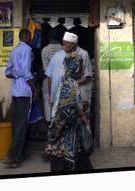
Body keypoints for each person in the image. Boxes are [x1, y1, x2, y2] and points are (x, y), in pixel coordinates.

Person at [47, 38, 93, 172]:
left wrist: (80, 108)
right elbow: (66, 111)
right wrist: (81, 114)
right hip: (67, 135)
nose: (83, 69)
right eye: (80, 66)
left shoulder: (69, 83)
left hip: (68, 135)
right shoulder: (69, 85)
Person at [4, 29, 36, 168]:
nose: (31, 38)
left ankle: (19, 154)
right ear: (27, 36)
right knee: (22, 125)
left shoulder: (14, 50)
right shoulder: (27, 49)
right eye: (30, 36)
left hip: (16, 91)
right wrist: (35, 89)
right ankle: (13, 156)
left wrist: (17, 74)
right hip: (24, 91)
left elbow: (8, 72)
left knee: (17, 123)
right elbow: (27, 72)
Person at [41, 32, 62, 124]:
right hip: (62, 83)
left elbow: (46, 71)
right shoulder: (64, 49)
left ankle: (50, 133)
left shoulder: (45, 50)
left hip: (48, 83)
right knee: (61, 111)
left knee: (49, 110)